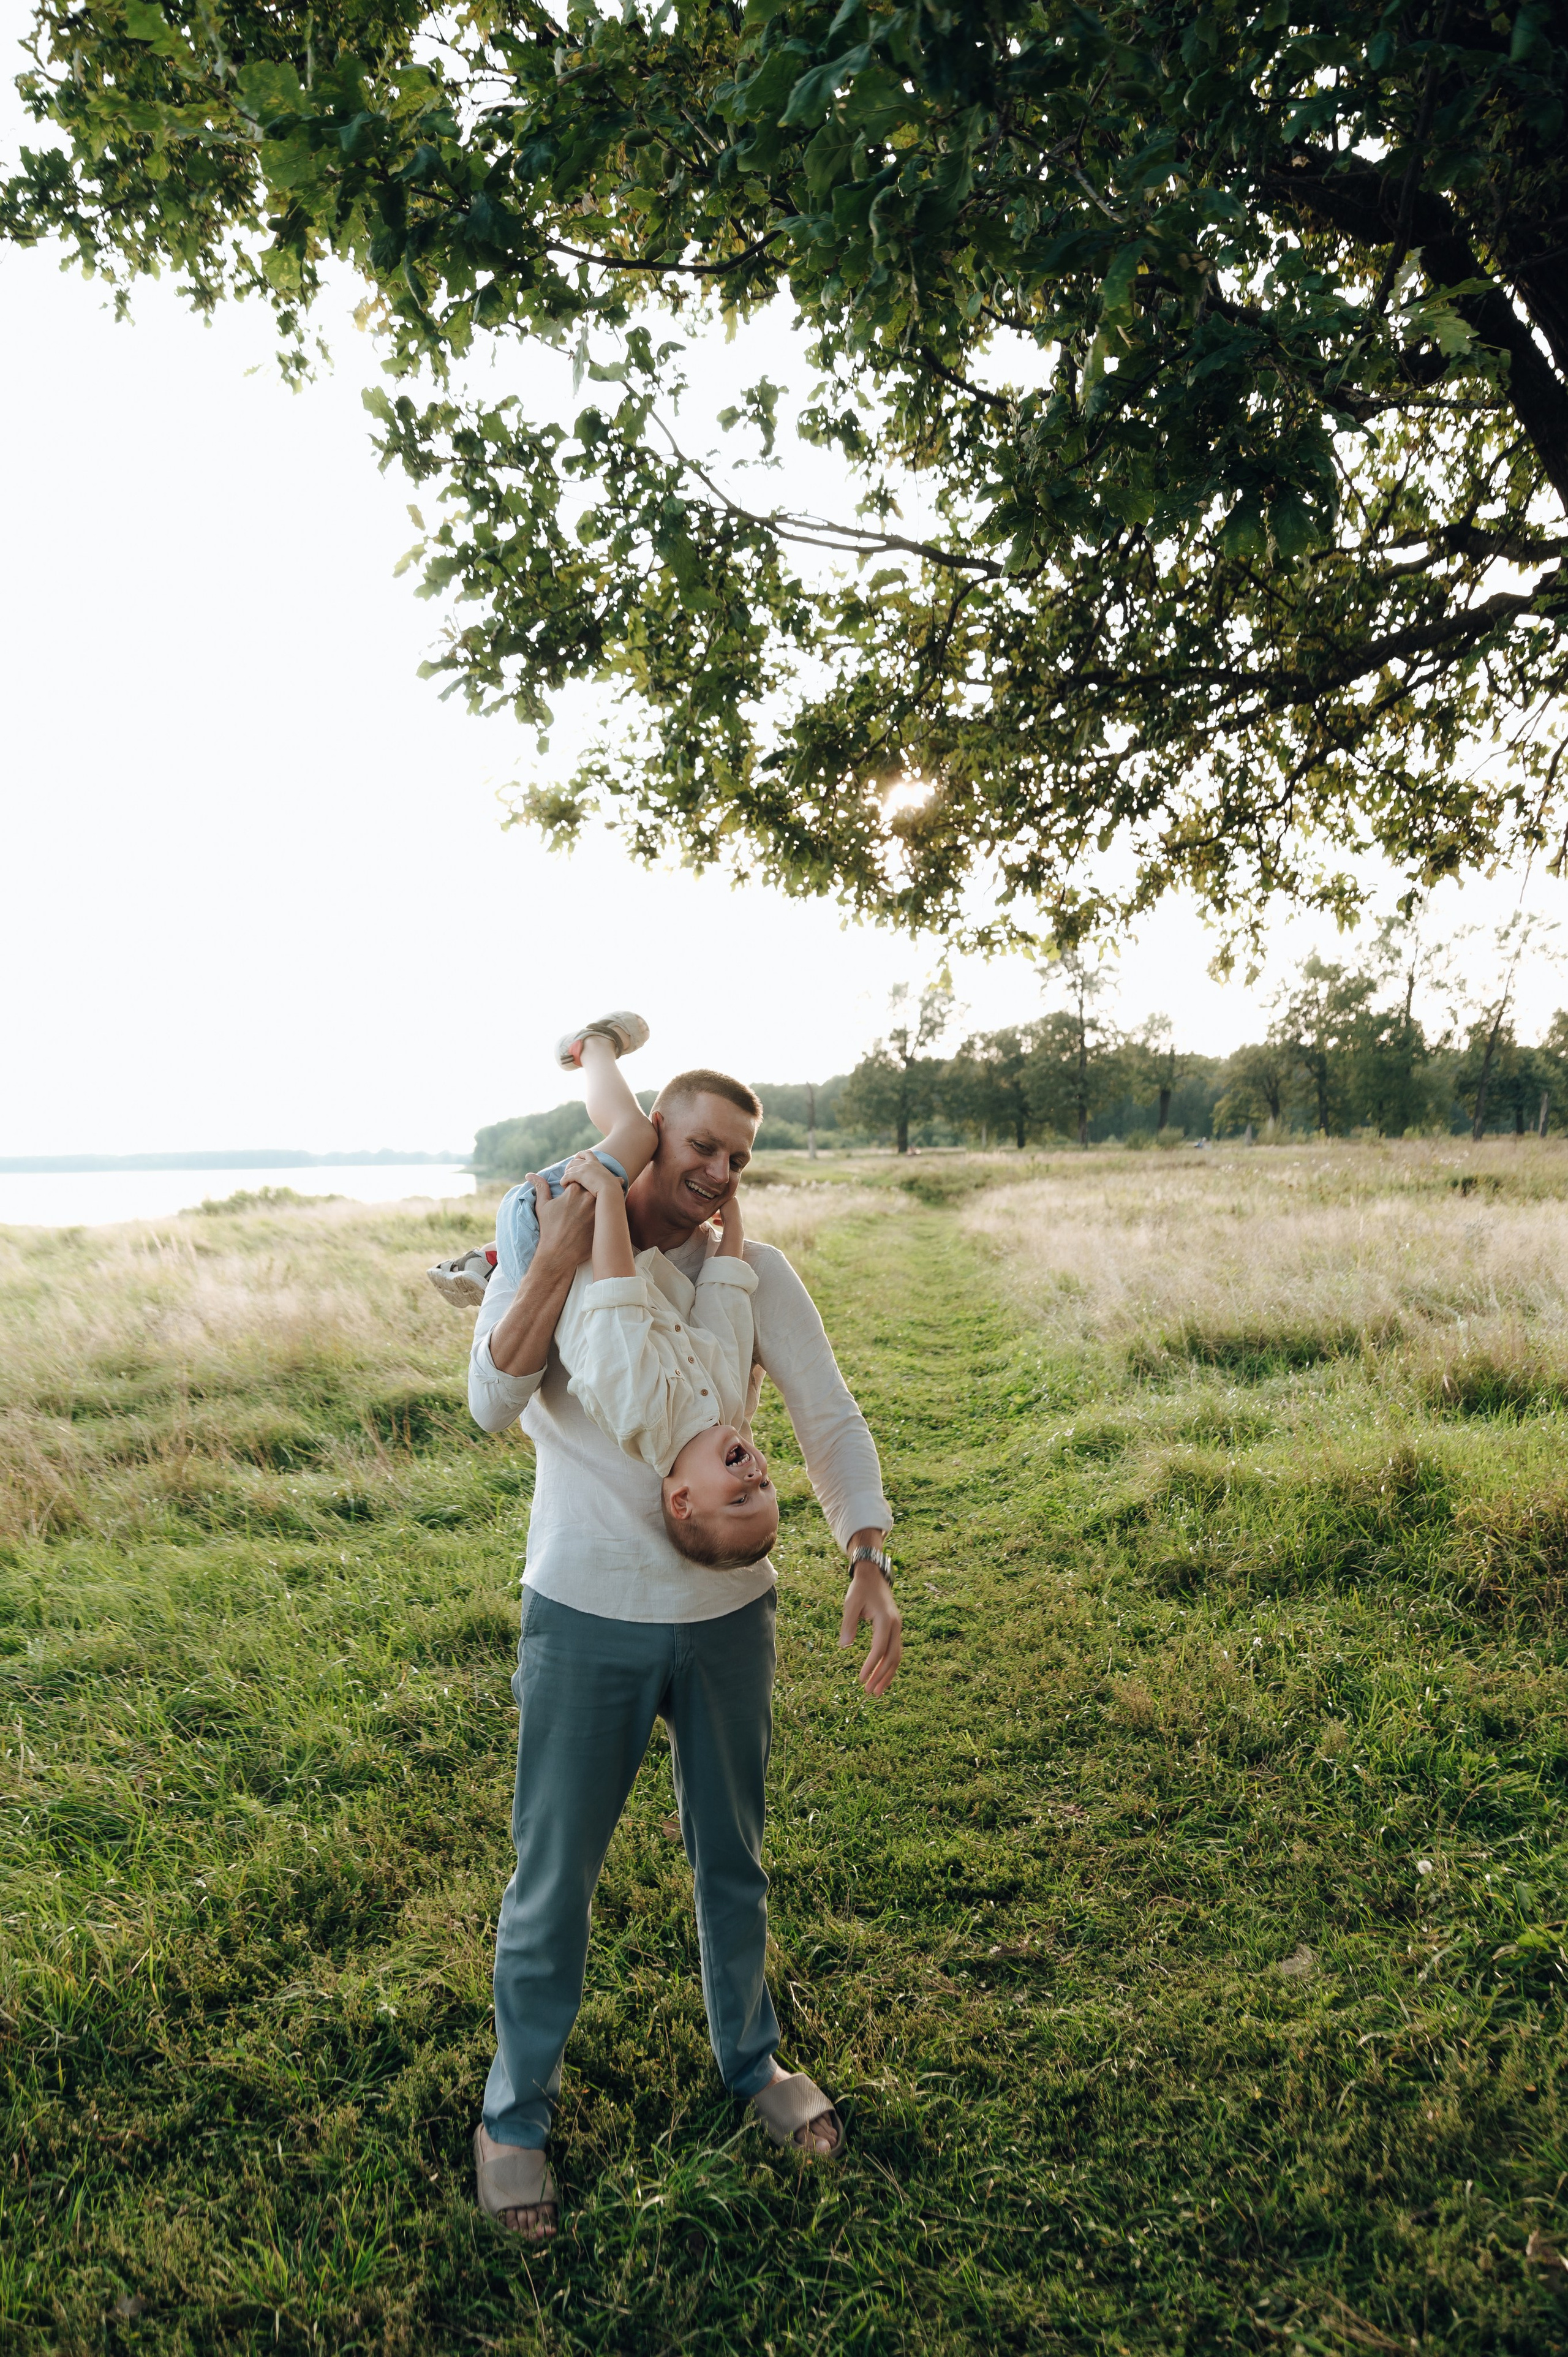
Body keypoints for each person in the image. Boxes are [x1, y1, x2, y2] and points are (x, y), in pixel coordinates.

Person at [467, 1057, 901, 2239]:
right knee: (552, 1882)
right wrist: (555, 1251)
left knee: (734, 1860)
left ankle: (751, 2063)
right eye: (698, 1147)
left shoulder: (751, 1274)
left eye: (737, 1160)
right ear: (648, 1130)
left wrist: (867, 1554)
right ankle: (515, 2117)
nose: (716, 1174)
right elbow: (489, 1405)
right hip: (586, 1613)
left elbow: (826, 1411)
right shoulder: (542, 1215)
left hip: (727, 1624)